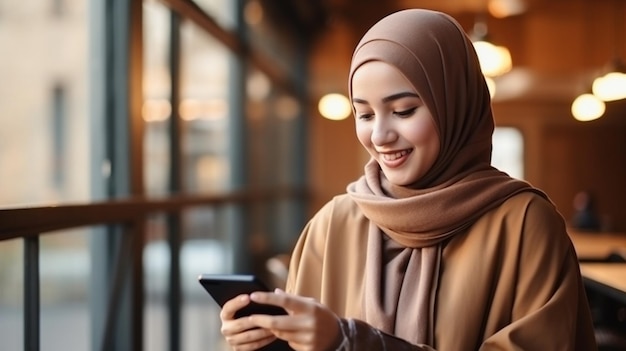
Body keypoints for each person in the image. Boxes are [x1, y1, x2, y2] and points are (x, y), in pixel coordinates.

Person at [219, 8, 598, 350]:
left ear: (455, 106)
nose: (380, 135)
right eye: (364, 115)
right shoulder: (332, 224)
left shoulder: (526, 225)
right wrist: (263, 342)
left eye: (403, 110)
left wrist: (350, 343)